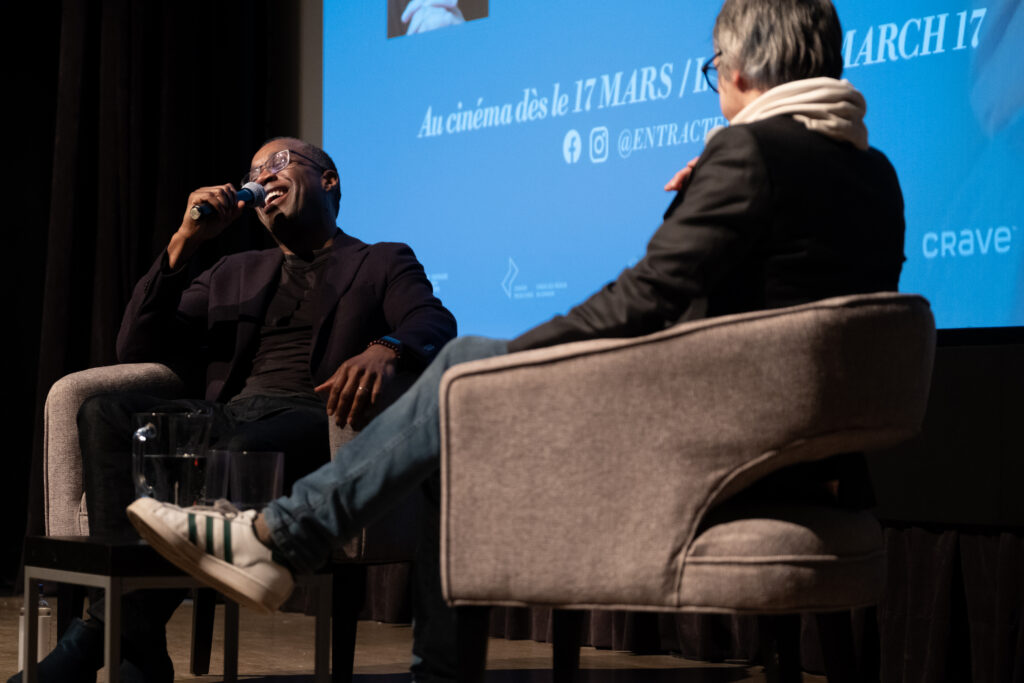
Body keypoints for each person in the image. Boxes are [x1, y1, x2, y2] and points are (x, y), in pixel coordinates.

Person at [128, 0, 906, 680]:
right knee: (461, 413)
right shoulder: (874, 173)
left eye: (713, 71)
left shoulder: (748, 154)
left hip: (706, 450)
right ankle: (292, 545)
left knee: (467, 373)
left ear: (740, 67)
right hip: (800, 456)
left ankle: (284, 540)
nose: (718, 89)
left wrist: (519, 359)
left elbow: (647, 299)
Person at [9, 138, 457, 683]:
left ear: (329, 181)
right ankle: (136, 641)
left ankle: (96, 642)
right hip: (230, 413)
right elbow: (136, 347)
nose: (262, 177)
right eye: (254, 170)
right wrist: (186, 239)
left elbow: (433, 322)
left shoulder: (381, 259)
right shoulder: (234, 270)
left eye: (278, 164)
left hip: (312, 419)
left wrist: (385, 347)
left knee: (235, 454)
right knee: (104, 411)